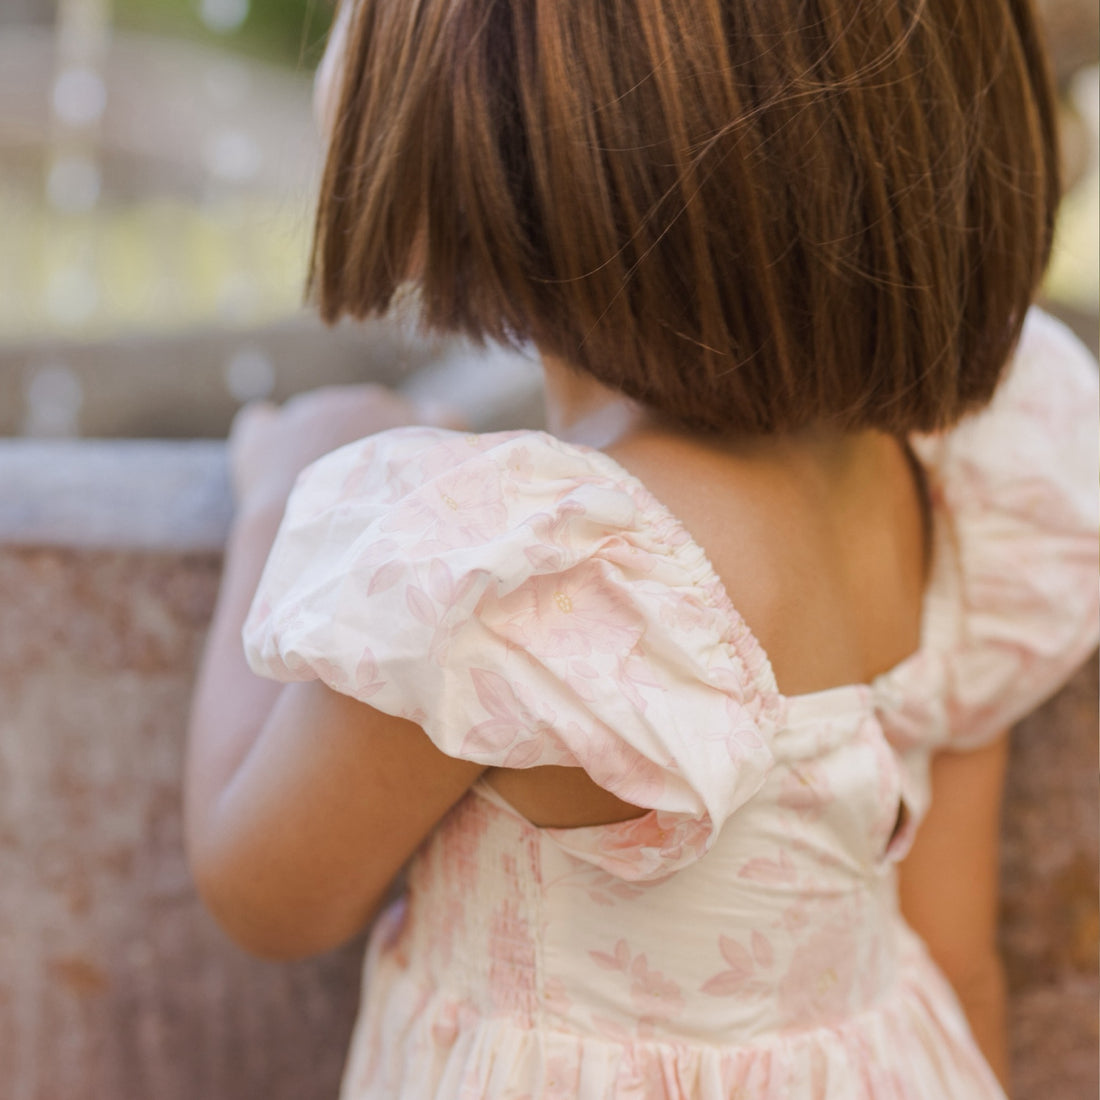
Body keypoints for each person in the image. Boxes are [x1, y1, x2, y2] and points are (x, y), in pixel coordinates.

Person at [185, 1, 1099, 1096]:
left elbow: (266, 893)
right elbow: (957, 960)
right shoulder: (958, 480)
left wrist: (280, 500)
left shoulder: (538, 574)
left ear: (493, 122)